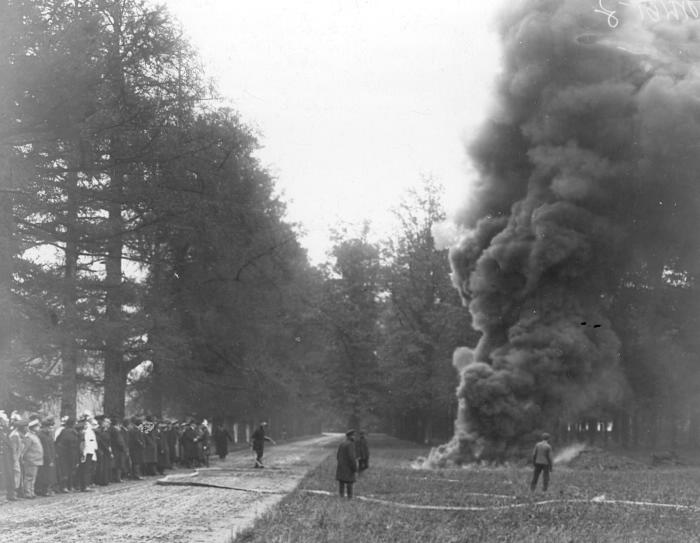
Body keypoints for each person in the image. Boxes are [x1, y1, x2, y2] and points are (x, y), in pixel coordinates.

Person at [55, 417, 80, 492]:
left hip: (64, 453)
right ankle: (66, 486)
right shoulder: (71, 432)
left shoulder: (64, 431)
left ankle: (67, 486)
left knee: (66, 470)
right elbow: (72, 445)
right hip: (67, 454)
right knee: (67, 470)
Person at [21, 419, 44, 498]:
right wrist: (23, 458)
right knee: (29, 477)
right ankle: (28, 493)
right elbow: (25, 449)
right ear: (33, 427)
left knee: (33, 477)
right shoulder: (29, 437)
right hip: (31, 460)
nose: (38, 428)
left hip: (36, 460)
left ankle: (31, 492)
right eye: (37, 426)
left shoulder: (34, 435)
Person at [336, 429, 358, 499]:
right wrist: (354, 468)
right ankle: (349, 498)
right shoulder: (350, 444)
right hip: (348, 467)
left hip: (341, 466)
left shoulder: (342, 444)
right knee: (349, 484)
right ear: (350, 436)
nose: (355, 437)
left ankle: (341, 497)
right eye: (353, 436)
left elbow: (338, 456)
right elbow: (352, 457)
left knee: (341, 483)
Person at [0, 412, 16, 501]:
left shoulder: (6, 431)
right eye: (3, 420)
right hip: (2, 457)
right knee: (3, 476)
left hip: (7, 457)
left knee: (9, 474)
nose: (5, 422)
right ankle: (3, 496)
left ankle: (10, 494)